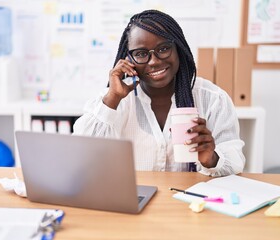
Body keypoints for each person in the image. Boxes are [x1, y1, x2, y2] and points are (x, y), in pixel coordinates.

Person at [73, 10, 245, 177]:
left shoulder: (213, 99)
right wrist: (113, 98)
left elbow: (235, 162)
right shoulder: (115, 99)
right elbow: (80, 157)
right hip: (134, 201)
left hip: (192, 201)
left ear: (179, 49)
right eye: (141, 54)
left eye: (163, 49)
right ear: (128, 60)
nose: (154, 61)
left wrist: (211, 159)